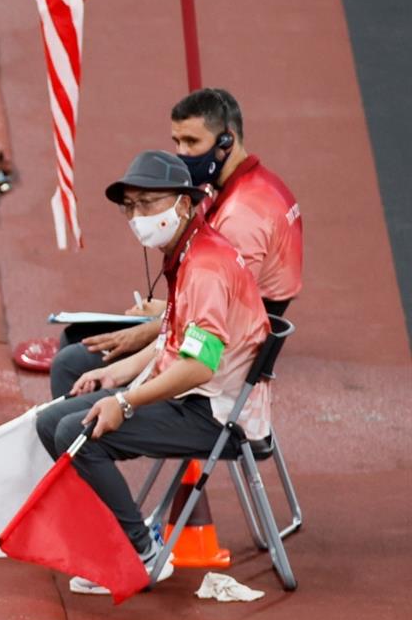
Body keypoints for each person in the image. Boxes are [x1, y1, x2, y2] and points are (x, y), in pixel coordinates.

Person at [34, 151, 270, 595]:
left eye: (148, 203)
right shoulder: (188, 250)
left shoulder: (204, 267)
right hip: (194, 397)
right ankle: (112, 537)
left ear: (184, 203)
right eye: (131, 206)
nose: (138, 216)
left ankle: (139, 552)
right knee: (51, 422)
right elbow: (176, 338)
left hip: (217, 416)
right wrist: (117, 374)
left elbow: (199, 366)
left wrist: (125, 400)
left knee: (74, 432)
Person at [52, 88, 302, 398]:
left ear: (226, 141)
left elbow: (223, 309)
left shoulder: (242, 217)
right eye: (177, 141)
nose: (182, 153)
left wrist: (142, 334)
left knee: (72, 359)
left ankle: (91, 438)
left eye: (192, 142)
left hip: (228, 349)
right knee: (79, 338)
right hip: (214, 314)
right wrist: (166, 309)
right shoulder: (245, 185)